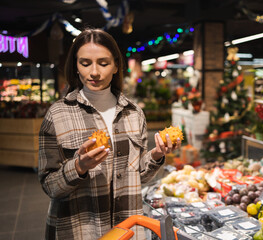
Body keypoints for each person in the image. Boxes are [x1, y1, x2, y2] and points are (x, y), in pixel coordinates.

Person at [38, 28, 181, 240]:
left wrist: (157, 155)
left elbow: (137, 177)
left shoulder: (134, 113)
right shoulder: (57, 114)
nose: (94, 72)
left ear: (116, 66)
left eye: (103, 63)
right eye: (85, 63)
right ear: (76, 67)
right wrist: (79, 167)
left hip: (127, 228)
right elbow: (49, 185)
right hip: (80, 229)